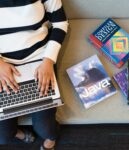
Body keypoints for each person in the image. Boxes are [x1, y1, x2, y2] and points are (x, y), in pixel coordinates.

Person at [0, 0, 68, 149]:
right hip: (3, 66)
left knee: (46, 128)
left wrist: (49, 60)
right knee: (3, 136)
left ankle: (50, 140)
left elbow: (60, 23)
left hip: (39, 60)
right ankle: (19, 133)